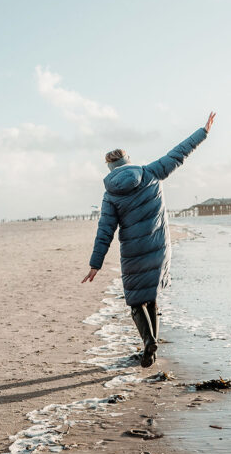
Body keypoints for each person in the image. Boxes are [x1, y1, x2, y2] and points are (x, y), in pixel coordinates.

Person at [82, 111, 215, 367]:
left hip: (132, 251)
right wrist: (204, 132)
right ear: (128, 160)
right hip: (158, 247)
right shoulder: (151, 172)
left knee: (135, 301)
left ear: (109, 168)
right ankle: (151, 347)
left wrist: (95, 264)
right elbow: (179, 153)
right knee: (151, 297)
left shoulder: (110, 195)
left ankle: (148, 342)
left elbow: (105, 230)